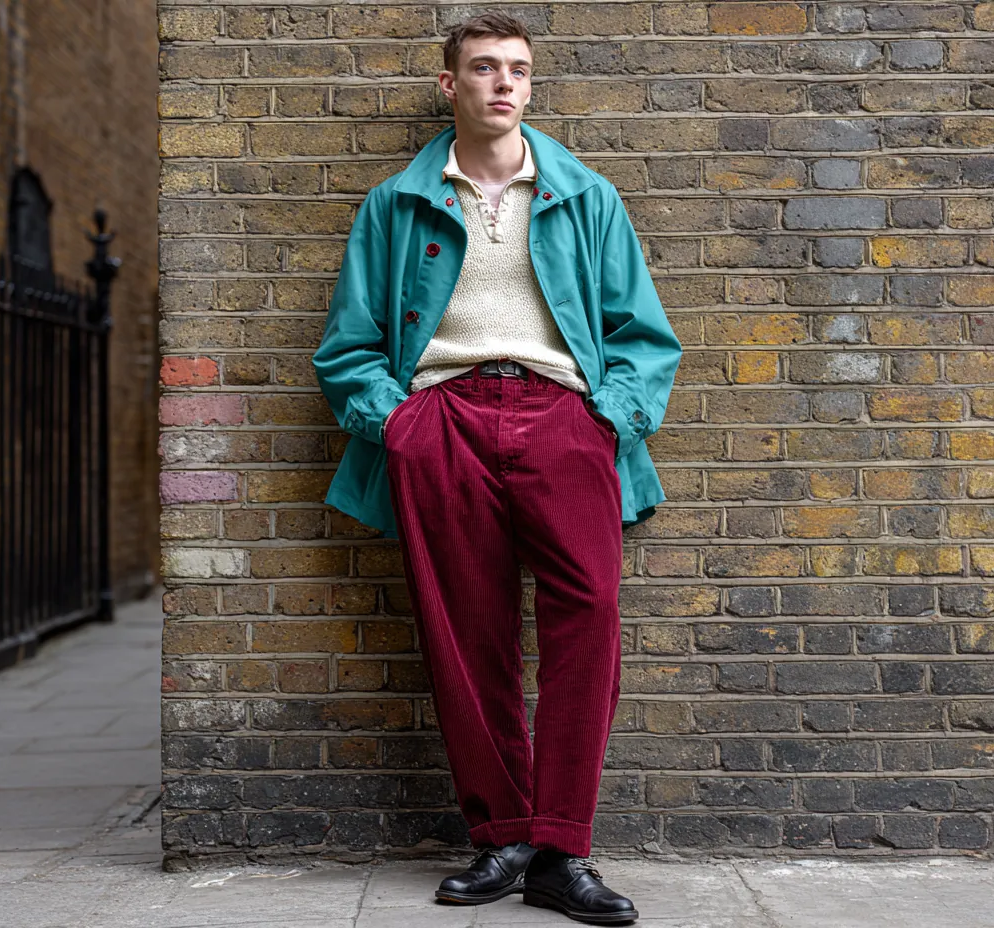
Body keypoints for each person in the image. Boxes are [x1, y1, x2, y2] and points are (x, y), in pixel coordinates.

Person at [312, 11, 680, 925]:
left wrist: (608, 420)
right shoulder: (396, 205)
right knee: (466, 631)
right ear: (451, 85)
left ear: (531, 84)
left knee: (589, 616)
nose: (503, 82)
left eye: (517, 68)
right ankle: (503, 837)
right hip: (443, 420)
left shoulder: (585, 197)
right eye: (483, 68)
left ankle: (562, 848)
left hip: (566, 420)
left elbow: (643, 336)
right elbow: (349, 347)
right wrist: (399, 424)